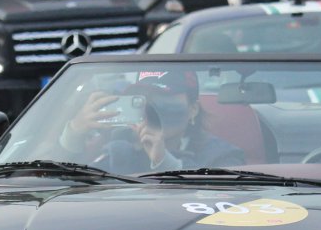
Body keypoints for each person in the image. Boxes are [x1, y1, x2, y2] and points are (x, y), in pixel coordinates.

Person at [60, 71, 244, 172]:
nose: (152, 108)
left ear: (192, 109)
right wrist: (74, 132)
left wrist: (164, 160)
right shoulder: (120, 148)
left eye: (165, 97)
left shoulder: (220, 155)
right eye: (145, 98)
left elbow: (223, 198)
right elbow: (63, 179)